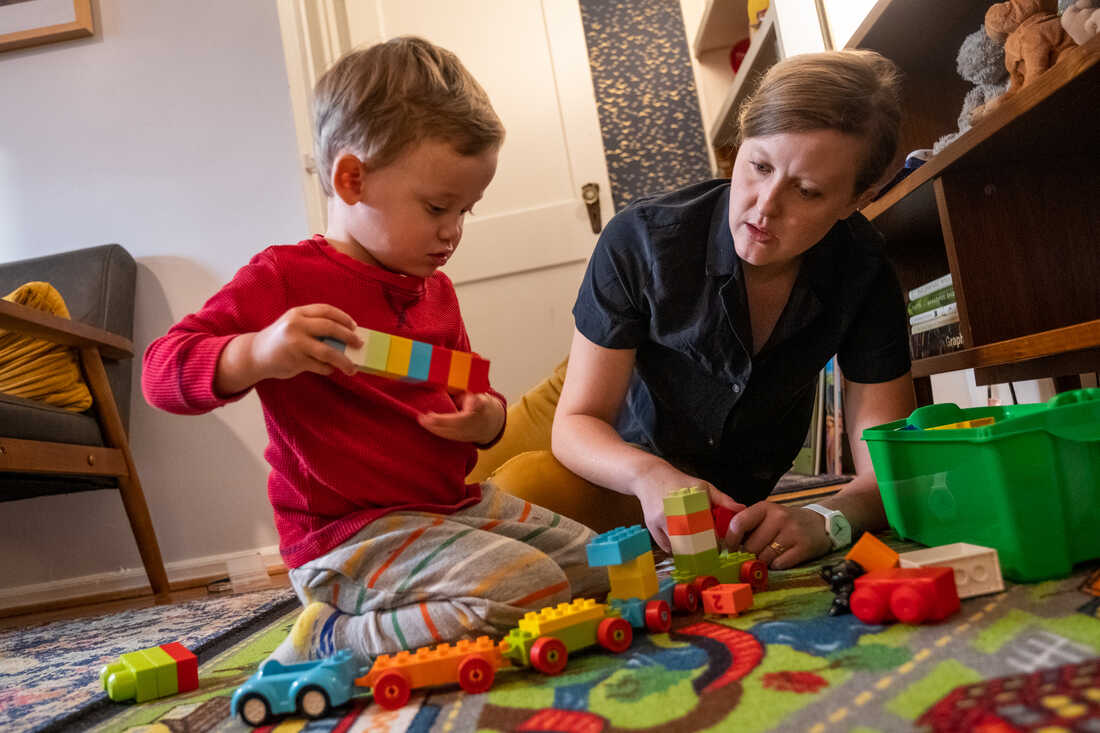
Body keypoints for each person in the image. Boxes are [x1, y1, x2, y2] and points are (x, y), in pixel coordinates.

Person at [142, 37, 606, 666]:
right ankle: (333, 635)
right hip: (346, 536)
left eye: (466, 210)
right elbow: (161, 372)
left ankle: (421, 601)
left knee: (596, 562)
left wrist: (489, 418)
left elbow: (476, 391)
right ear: (351, 178)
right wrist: (256, 352)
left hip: (452, 507)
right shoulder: (283, 279)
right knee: (530, 590)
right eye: (438, 207)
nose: (454, 232)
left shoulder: (435, 293)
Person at [550, 50, 917, 571]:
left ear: (855, 201)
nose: (765, 206)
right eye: (759, 166)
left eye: (807, 191)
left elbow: (886, 473)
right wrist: (648, 475)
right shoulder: (641, 239)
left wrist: (827, 516)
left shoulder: (863, 268)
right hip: (602, 418)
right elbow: (575, 421)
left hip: (713, 479)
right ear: (738, 144)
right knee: (505, 491)